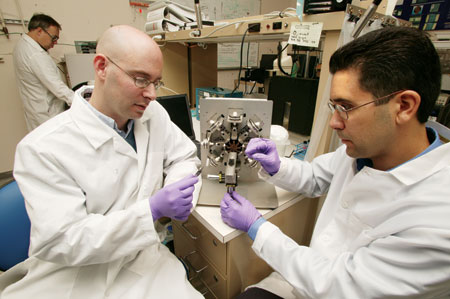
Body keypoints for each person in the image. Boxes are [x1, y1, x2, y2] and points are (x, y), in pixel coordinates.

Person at [221, 26, 450, 298]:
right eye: (334, 107)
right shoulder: (367, 148)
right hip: (305, 279)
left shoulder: (436, 223)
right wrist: (277, 166)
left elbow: (339, 286)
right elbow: (318, 177)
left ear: (404, 106)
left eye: (346, 107)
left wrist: (257, 227)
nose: (334, 122)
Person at [0, 25, 203, 298]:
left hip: (145, 259)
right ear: (101, 67)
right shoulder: (41, 148)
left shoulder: (153, 114)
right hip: (76, 276)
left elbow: (185, 156)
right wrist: (150, 212)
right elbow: (63, 241)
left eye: (156, 82)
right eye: (141, 79)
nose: (152, 94)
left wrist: (176, 191)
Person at [13, 13, 74, 132]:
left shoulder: (21, 46)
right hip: (48, 115)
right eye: (54, 38)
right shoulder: (35, 54)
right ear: (39, 31)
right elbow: (57, 87)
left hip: (37, 113)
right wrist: (84, 104)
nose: (55, 42)